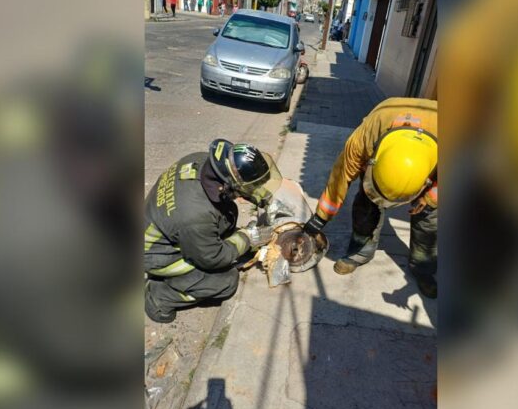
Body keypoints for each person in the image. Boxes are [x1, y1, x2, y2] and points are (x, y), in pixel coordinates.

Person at [304, 98, 439, 298]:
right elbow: (339, 180)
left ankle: (423, 268)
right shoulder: (363, 140)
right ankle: (361, 252)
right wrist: (320, 217)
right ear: (372, 160)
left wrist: (430, 200)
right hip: (384, 126)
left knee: (429, 220)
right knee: (366, 207)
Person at [144, 139, 283, 323]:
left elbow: (229, 192)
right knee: (226, 281)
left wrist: (263, 198)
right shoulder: (195, 216)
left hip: (163, 226)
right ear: (226, 185)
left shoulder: (201, 161)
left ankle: (181, 274)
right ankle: (159, 296)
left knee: (226, 213)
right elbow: (212, 258)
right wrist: (248, 238)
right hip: (155, 254)